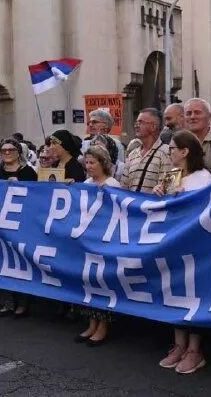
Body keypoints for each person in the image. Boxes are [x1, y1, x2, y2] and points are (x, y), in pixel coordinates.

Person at [153, 130, 211, 375]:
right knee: (175, 291)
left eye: (172, 149)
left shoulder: (202, 177)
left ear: (185, 151)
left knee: (194, 295)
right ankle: (179, 344)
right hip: (172, 242)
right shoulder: (171, 176)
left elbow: (203, 206)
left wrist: (179, 197)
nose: (169, 152)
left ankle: (195, 350)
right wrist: (160, 193)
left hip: (194, 244)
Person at [74, 145, 120, 346]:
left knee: (101, 282)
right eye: (87, 162)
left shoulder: (112, 183)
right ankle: (91, 322)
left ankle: (104, 325)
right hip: (87, 239)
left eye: (93, 162)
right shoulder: (86, 183)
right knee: (87, 282)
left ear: (103, 163)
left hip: (104, 240)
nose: (89, 166)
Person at [0, 139, 37, 318]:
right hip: (3, 222)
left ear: (19, 152)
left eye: (11, 150)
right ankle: (7, 302)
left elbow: (37, 195)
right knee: (4, 262)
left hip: (21, 223)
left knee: (21, 264)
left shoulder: (28, 171)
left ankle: (23, 303)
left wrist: (20, 184)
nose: (7, 153)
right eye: (3, 150)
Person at [120, 108, 172, 192]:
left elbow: (166, 188)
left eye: (141, 122)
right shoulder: (132, 155)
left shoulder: (166, 152)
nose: (136, 125)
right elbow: (123, 188)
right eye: (136, 122)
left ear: (153, 126)